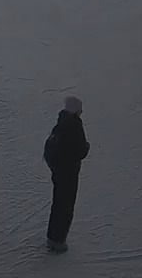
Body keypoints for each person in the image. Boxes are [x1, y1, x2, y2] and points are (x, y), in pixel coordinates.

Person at [44, 96, 90, 253]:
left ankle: (52, 236)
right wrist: (87, 147)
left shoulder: (61, 122)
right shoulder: (75, 125)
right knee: (66, 205)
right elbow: (81, 150)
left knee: (58, 203)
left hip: (58, 170)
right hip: (68, 172)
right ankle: (58, 240)